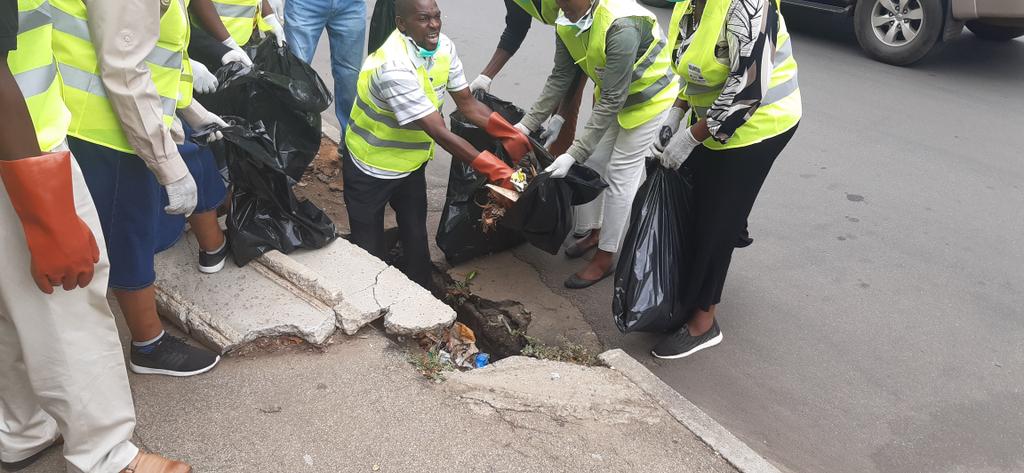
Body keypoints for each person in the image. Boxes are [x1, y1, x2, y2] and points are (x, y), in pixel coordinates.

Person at [0, 1, 191, 471]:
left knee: (15, 300)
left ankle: (21, 429)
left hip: (24, 134)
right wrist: (44, 205)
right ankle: (107, 456)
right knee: (69, 291)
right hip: (26, 144)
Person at [50, 0, 222, 376]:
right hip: (105, 129)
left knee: (125, 229)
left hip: (116, 120)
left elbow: (154, 49)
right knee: (127, 233)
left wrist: (189, 109)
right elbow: (125, 70)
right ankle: (148, 344)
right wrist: (168, 165)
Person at [649, 0, 801, 359]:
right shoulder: (690, 3)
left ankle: (704, 324)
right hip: (715, 120)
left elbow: (747, 90)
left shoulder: (748, 4)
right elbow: (694, 66)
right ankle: (733, 216)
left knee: (714, 224)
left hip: (761, 123)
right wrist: (676, 112)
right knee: (706, 201)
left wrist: (691, 137)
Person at [343, 0, 532, 289]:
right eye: (423, 18)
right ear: (402, 24)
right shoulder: (393, 66)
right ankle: (369, 301)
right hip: (371, 168)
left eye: (436, 17)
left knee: (416, 238)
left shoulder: (443, 47)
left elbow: (468, 104)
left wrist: (511, 134)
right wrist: (496, 170)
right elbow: (439, 132)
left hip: (411, 165)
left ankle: (421, 297)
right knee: (367, 248)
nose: (433, 25)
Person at [516, 0, 678, 289]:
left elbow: (614, 98)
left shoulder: (622, 26)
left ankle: (606, 256)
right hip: (612, 96)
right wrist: (525, 125)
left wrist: (573, 152)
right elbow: (561, 77)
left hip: (649, 101)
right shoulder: (566, 19)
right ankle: (595, 231)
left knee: (620, 175)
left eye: (565, 3)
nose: (559, 7)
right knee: (592, 164)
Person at [470, 0, 587, 157]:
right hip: (572, 30)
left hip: (607, 40)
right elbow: (516, 27)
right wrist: (485, 77)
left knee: (604, 110)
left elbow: (575, 65)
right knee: (558, 101)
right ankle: (554, 167)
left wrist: (561, 115)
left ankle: (567, 164)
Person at [285, 0, 367, 138]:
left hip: (350, 5)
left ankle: (348, 145)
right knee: (297, 77)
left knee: (350, 79)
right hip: (305, 4)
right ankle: (294, 145)